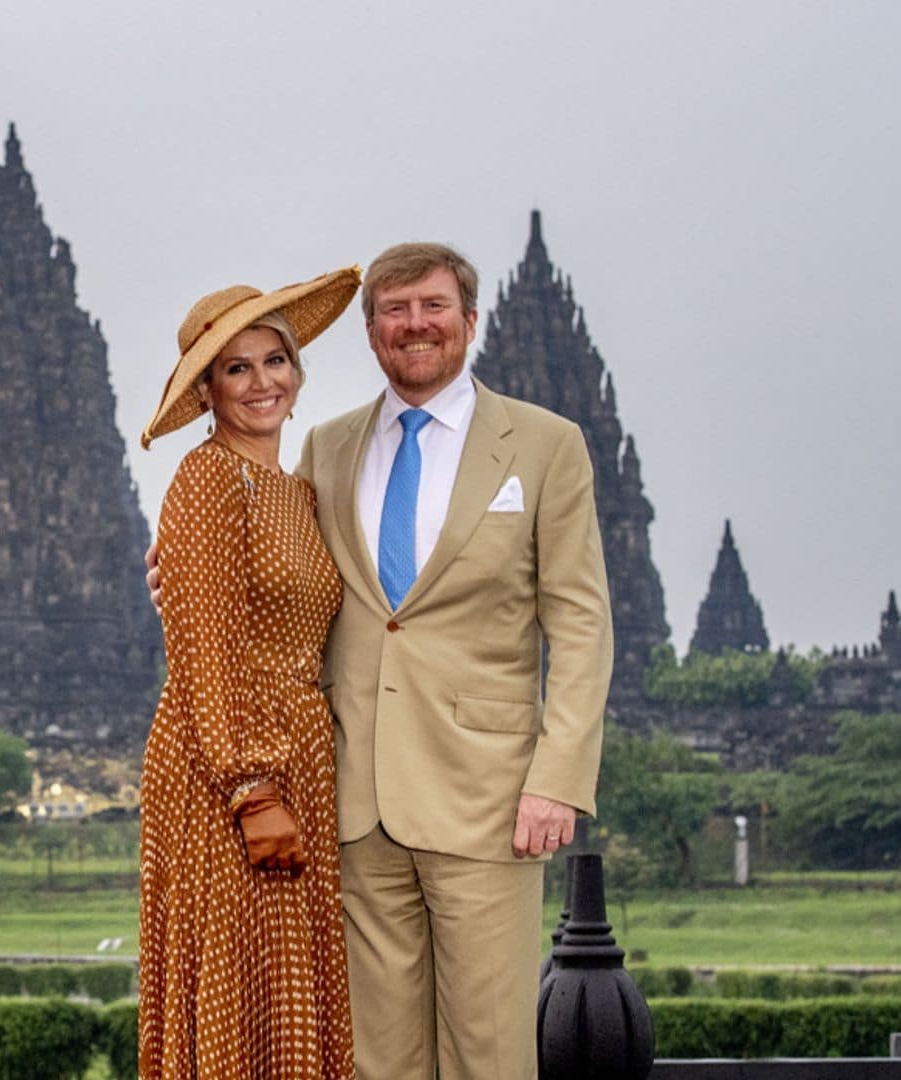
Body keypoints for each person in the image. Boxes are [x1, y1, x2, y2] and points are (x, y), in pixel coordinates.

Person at [299, 243, 612, 1079]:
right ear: (371, 333)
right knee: (379, 1058)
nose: (415, 326)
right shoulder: (327, 450)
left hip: (489, 798)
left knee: (490, 1048)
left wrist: (559, 777)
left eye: (433, 307)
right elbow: (289, 590)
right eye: (394, 312)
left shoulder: (546, 446)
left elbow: (580, 623)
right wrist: (192, 567)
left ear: (469, 322)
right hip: (357, 792)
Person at [134, 267, 362, 1079]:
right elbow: (202, 646)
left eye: (276, 360)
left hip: (299, 751)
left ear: (298, 375)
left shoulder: (298, 492)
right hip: (225, 768)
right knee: (236, 970)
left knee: (290, 982)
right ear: (209, 392)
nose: (262, 381)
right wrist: (251, 787)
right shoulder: (207, 480)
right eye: (237, 367)